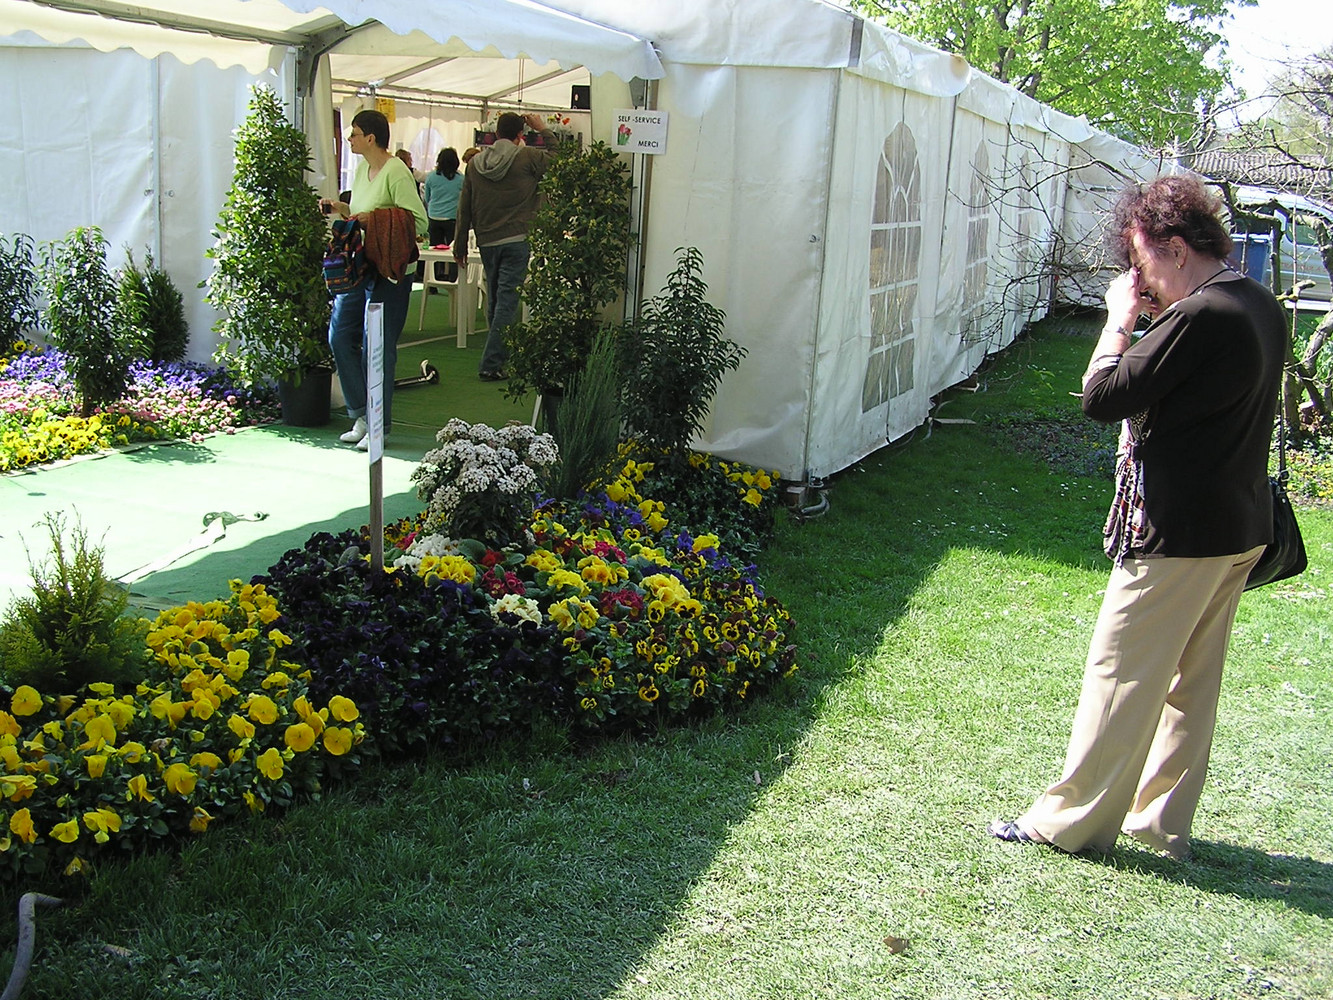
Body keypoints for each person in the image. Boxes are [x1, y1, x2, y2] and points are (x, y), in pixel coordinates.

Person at [988, 174, 1287, 861]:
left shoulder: (1201, 315)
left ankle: (1067, 822)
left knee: (1119, 672)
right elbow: (1185, 385)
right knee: (1189, 687)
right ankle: (1158, 822)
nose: (1136, 276)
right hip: (1236, 529)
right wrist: (1154, 316)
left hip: (1179, 533)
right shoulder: (1255, 302)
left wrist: (1118, 319)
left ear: (1175, 248)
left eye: (1140, 259)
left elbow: (1102, 395)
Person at [320, 109, 427, 450]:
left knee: (377, 346)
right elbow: (361, 216)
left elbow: (419, 222)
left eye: (353, 133)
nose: (349, 138)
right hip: (361, 266)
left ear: (370, 137)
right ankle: (362, 415)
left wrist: (374, 220)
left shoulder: (396, 171)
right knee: (340, 336)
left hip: (390, 271)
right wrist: (342, 210)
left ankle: (379, 425)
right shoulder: (361, 169)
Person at [454, 112, 557, 381]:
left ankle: (497, 355)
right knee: (507, 301)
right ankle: (492, 362)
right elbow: (559, 159)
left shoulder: (475, 163)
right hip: (517, 238)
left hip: (487, 240)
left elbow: (464, 206)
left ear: (496, 133)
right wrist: (542, 129)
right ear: (520, 135)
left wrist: (460, 244)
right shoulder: (528, 157)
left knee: (496, 298)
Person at [423, 147, 464, 280]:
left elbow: (427, 198)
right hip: (452, 218)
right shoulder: (460, 179)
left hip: (434, 217)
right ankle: (453, 277)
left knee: (434, 249)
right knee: (453, 249)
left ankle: (433, 277)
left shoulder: (431, 177)